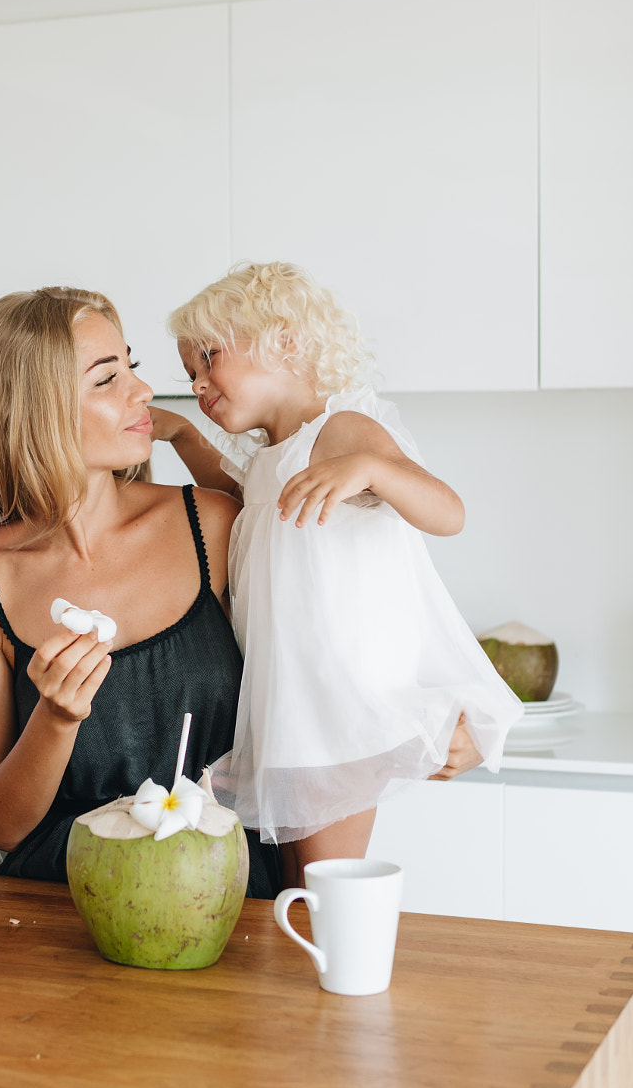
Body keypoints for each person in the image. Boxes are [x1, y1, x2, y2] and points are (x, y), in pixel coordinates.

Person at [154, 261, 517, 885]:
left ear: (285, 341)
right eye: (190, 373)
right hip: (289, 702)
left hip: (337, 705)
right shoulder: (275, 458)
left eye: (211, 357)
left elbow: (447, 512)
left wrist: (372, 472)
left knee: (326, 891)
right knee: (300, 889)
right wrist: (184, 435)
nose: (200, 382)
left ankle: (343, 977)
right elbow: (245, 499)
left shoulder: (343, 430)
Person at [0, 286, 282, 896]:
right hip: (61, 909)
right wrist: (56, 719)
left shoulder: (215, 525)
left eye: (132, 368)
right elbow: (1, 826)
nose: (142, 392)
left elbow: (311, 682)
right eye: (105, 379)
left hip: (229, 896)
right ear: (33, 409)